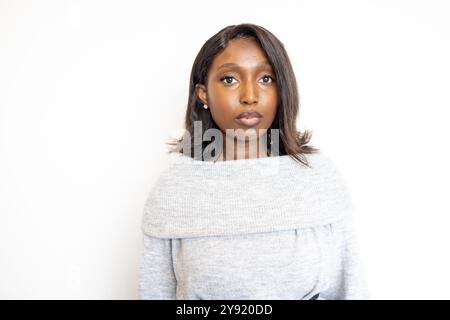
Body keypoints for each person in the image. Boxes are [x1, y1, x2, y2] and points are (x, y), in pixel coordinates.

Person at [138, 23, 370, 300]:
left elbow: (351, 291)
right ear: (203, 95)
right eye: (229, 80)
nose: (250, 96)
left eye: (266, 79)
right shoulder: (174, 191)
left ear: (281, 89)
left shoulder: (320, 179)